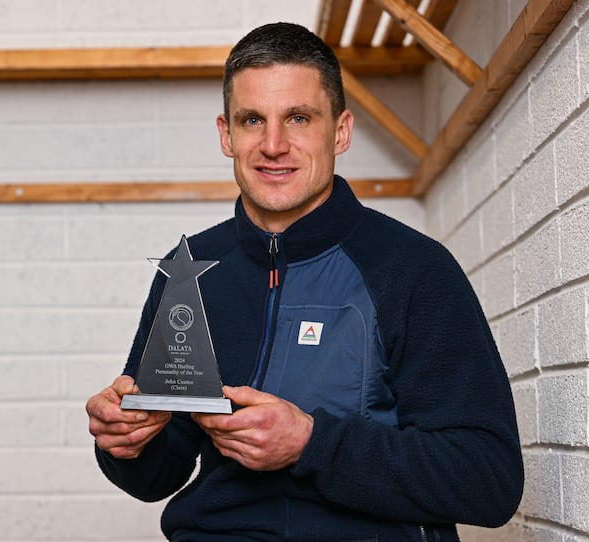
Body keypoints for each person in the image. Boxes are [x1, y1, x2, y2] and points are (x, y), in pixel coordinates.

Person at [86, 22, 523, 541]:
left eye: (298, 118)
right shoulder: (190, 270)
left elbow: (488, 480)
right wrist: (126, 441)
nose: (273, 145)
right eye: (253, 120)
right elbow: (158, 475)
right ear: (227, 135)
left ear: (339, 130)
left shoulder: (414, 270)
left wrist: (312, 444)